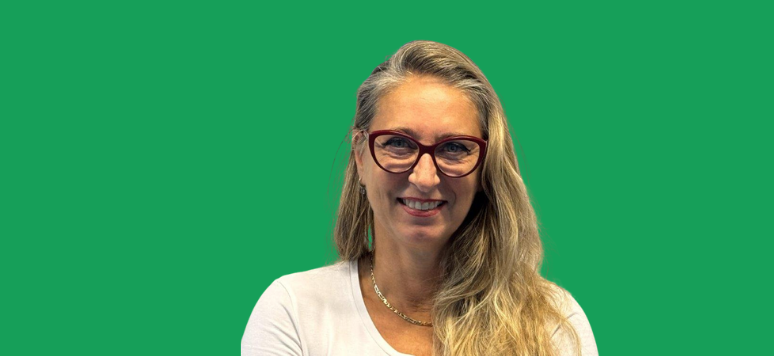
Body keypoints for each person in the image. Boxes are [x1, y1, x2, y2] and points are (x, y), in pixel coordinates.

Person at [241, 41, 598, 356]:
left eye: (454, 148)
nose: (425, 178)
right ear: (361, 157)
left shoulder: (551, 322)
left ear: (485, 169)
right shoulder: (294, 312)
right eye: (398, 143)